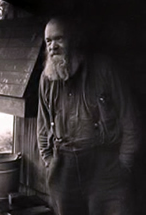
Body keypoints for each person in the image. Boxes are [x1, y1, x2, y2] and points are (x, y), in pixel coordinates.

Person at [37, 17, 140, 215]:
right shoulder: (46, 79)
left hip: (104, 168)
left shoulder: (104, 69)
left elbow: (131, 120)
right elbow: (42, 127)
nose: (53, 47)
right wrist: (50, 162)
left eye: (59, 39)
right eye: (48, 41)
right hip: (64, 170)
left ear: (73, 40)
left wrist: (124, 165)